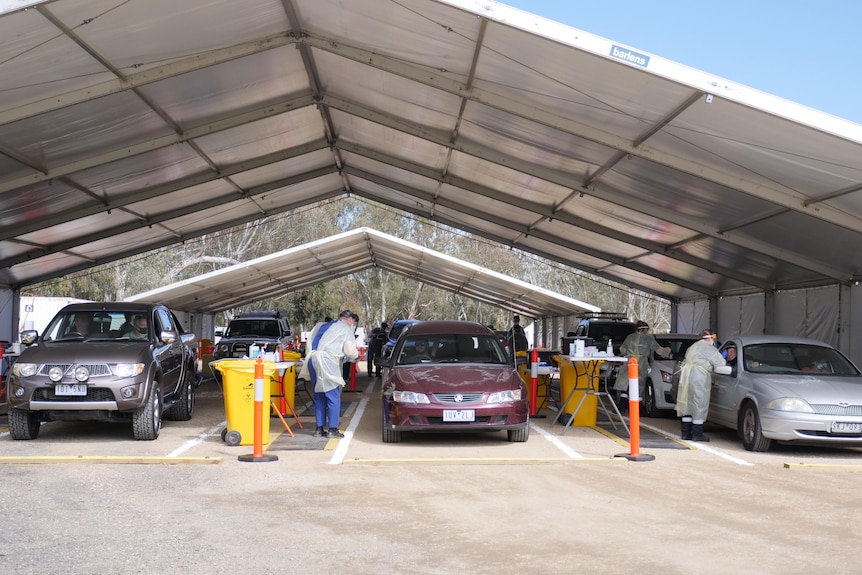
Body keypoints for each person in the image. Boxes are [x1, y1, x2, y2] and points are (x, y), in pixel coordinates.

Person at [302, 310, 359, 438]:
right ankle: (332, 429)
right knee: (333, 396)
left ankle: (319, 428)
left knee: (319, 395)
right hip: (327, 363)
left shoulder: (322, 325)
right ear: (350, 320)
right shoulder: (346, 329)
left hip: (312, 359)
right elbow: (350, 352)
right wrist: (356, 356)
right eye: (352, 322)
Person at [675, 329, 725, 441]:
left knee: (687, 403)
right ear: (710, 337)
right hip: (699, 377)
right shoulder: (709, 348)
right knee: (699, 403)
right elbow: (720, 363)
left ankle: (686, 433)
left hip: (686, 376)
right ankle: (697, 434)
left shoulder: (692, 347)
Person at [612, 321, 670, 409]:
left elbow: (622, 349)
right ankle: (638, 408)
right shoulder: (648, 339)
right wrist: (668, 351)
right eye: (647, 329)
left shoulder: (630, 337)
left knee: (626, 384)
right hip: (641, 364)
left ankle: (621, 407)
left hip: (629, 362)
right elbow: (659, 350)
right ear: (644, 330)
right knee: (639, 385)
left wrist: (629, 354)